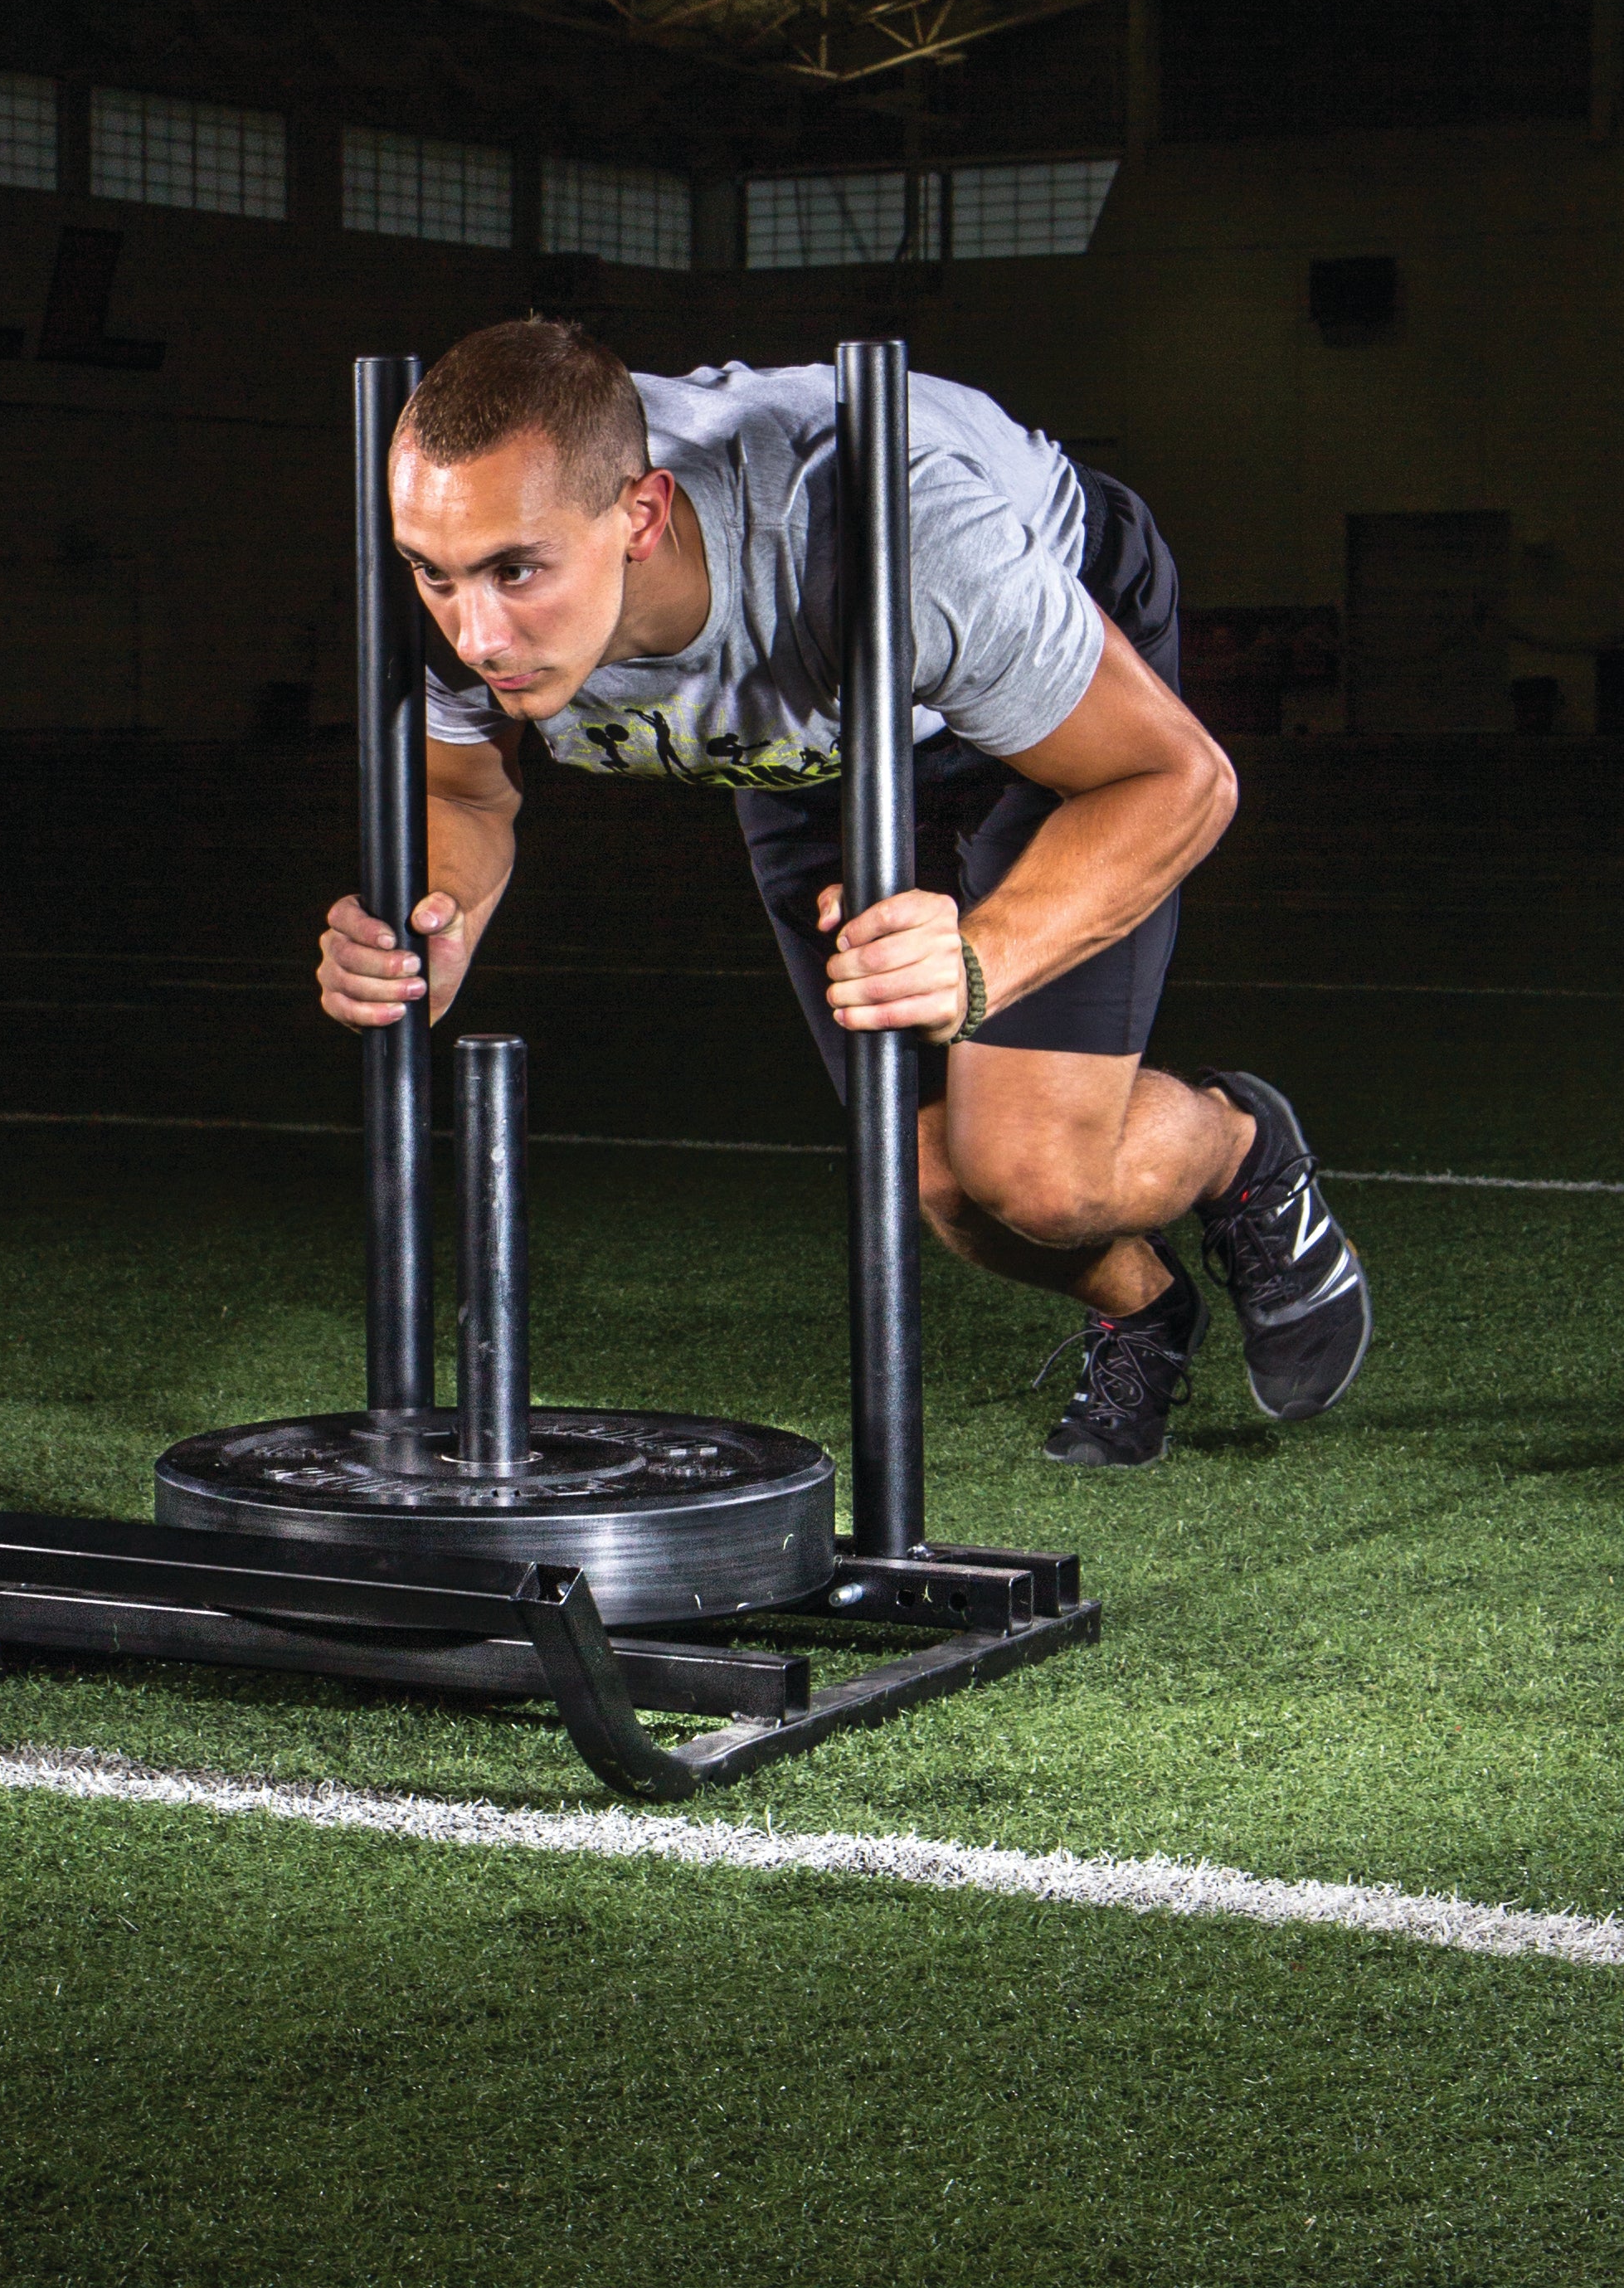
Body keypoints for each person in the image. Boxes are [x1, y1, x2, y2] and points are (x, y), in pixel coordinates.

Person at [315, 319, 1370, 1467]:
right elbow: (466, 793)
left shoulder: (888, 541)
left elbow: (1182, 779)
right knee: (934, 1178)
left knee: (1036, 1173)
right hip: (812, 728)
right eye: (437, 576)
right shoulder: (453, 541)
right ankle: (1147, 1307)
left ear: (642, 518)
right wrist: (443, 916)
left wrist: (979, 960)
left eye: (518, 573)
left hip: (1042, 668)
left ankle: (1241, 1149)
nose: (476, 633)